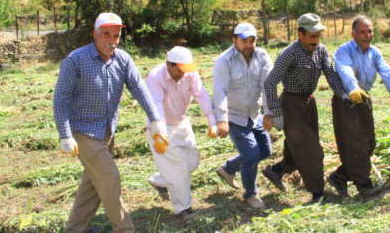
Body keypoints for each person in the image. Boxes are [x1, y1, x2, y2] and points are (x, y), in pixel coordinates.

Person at [53, 13, 167, 233]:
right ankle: (125, 229)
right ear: (95, 34)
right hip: (83, 133)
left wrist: (156, 120)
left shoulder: (122, 59)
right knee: (111, 178)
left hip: (107, 132)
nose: (112, 40)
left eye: (116, 36)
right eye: (107, 34)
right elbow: (60, 98)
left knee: (93, 186)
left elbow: (139, 89)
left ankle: (75, 229)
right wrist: (64, 134)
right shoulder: (76, 60)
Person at [262, 13, 349, 205]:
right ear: (300, 35)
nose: (316, 41)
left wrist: (343, 94)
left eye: (319, 36)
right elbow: (270, 83)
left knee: (299, 147)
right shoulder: (288, 54)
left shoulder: (321, 51)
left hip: (309, 104)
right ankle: (318, 194)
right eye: (312, 37)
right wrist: (276, 112)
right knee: (312, 151)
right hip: (291, 105)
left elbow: (331, 76)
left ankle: (276, 171)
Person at [326, 16, 390, 198]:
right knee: (357, 145)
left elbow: (385, 71)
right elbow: (344, 69)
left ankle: (339, 176)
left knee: (369, 143)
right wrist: (353, 86)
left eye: (370, 31)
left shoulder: (375, 53)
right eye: (362, 31)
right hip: (346, 101)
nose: (367, 35)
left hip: (364, 100)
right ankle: (364, 186)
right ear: (353, 33)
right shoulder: (343, 51)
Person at [144, 46, 217, 222]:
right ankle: (182, 208)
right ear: (169, 65)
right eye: (179, 70)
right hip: (162, 126)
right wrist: (159, 131)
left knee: (193, 160)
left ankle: (160, 181)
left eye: (186, 70)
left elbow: (201, 94)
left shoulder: (189, 73)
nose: (183, 74)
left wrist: (212, 120)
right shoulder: (155, 77)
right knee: (179, 166)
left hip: (182, 122)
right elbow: (156, 105)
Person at [213, 23, 273, 209]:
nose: (249, 45)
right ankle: (251, 194)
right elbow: (220, 90)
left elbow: (268, 86)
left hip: (254, 114)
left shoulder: (262, 57)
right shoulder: (224, 61)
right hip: (234, 116)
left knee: (264, 151)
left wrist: (268, 113)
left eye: (252, 40)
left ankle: (228, 169)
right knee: (251, 154)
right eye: (244, 41)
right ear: (234, 40)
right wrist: (222, 119)